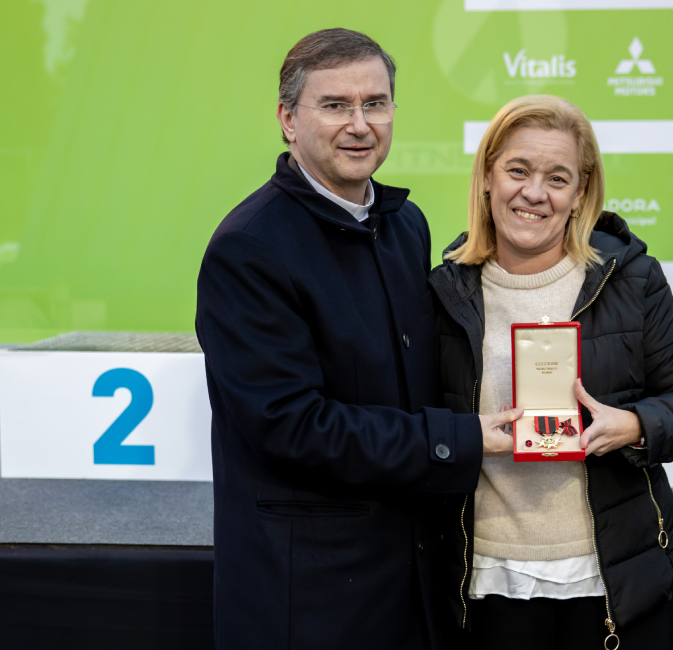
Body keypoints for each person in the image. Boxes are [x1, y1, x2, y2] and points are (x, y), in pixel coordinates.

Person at [196, 28, 519, 649]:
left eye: (375, 103)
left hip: (413, 577)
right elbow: (291, 425)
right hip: (312, 593)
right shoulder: (248, 249)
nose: (360, 124)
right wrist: (458, 439)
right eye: (335, 105)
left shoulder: (405, 225)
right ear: (288, 120)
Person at [429, 95, 673, 650]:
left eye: (557, 178)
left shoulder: (630, 279)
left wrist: (635, 425)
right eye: (517, 170)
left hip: (608, 575)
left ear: (581, 191)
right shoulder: (445, 291)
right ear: (488, 176)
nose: (534, 193)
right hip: (486, 576)